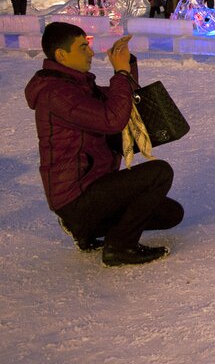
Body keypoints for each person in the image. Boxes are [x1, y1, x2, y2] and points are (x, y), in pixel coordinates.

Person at [25, 22, 184, 267]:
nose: (90, 52)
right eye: (82, 47)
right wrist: (120, 74)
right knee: (159, 172)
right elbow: (112, 119)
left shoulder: (75, 84)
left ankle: (87, 230)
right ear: (61, 55)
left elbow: (119, 100)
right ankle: (119, 247)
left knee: (170, 213)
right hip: (76, 196)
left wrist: (126, 64)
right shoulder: (56, 93)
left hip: (93, 186)